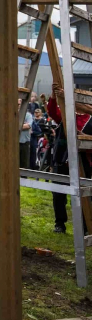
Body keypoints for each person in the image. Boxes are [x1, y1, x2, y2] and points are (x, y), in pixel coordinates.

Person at [46, 83, 92, 234]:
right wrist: (54, 95)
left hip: (82, 161)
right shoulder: (66, 114)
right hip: (61, 158)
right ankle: (60, 224)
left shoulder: (89, 118)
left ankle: (85, 226)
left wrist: (84, 138)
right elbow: (52, 111)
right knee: (58, 193)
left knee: (83, 195)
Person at [18, 99, 33, 169]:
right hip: (13, 143)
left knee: (24, 165)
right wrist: (22, 125)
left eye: (19, 104)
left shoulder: (28, 115)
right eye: (17, 104)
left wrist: (14, 125)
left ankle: (24, 179)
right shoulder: (12, 114)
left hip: (24, 143)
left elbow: (28, 126)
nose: (18, 106)